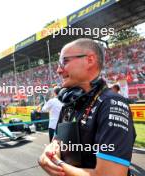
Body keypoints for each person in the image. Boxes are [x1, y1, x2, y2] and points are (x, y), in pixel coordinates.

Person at [39, 38, 136, 176]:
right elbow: (56, 142)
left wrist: (57, 164)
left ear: (90, 60)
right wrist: (47, 153)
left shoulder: (111, 103)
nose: (59, 70)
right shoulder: (69, 103)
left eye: (65, 61)